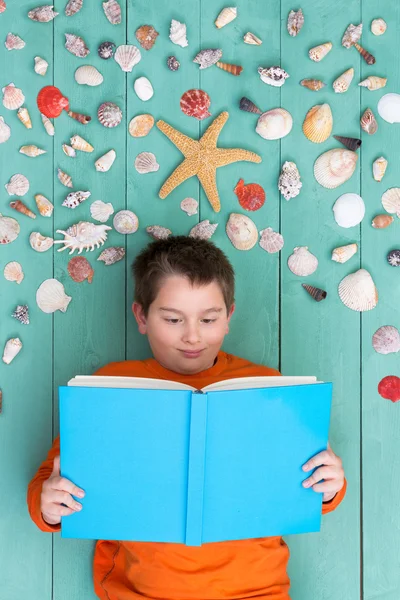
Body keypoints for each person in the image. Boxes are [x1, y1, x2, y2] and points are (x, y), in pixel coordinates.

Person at [27, 235, 346, 600]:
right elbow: (46, 482)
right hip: (142, 591)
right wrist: (49, 505)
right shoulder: (108, 387)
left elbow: (316, 481)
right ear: (142, 316)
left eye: (209, 318)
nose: (193, 336)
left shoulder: (269, 389)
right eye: (173, 319)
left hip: (258, 591)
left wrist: (332, 485)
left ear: (229, 317)